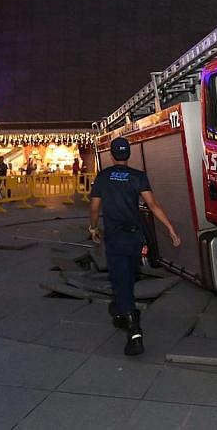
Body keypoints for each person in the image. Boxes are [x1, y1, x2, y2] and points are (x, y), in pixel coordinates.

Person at [89, 137, 181, 356]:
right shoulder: (138, 176)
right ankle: (121, 311)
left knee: (120, 280)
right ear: (128, 155)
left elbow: (94, 207)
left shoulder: (103, 177)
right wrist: (170, 228)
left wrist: (93, 228)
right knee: (128, 277)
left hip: (116, 237)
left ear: (112, 155)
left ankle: (134, 332)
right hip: (135, 237)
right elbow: (153, 204)